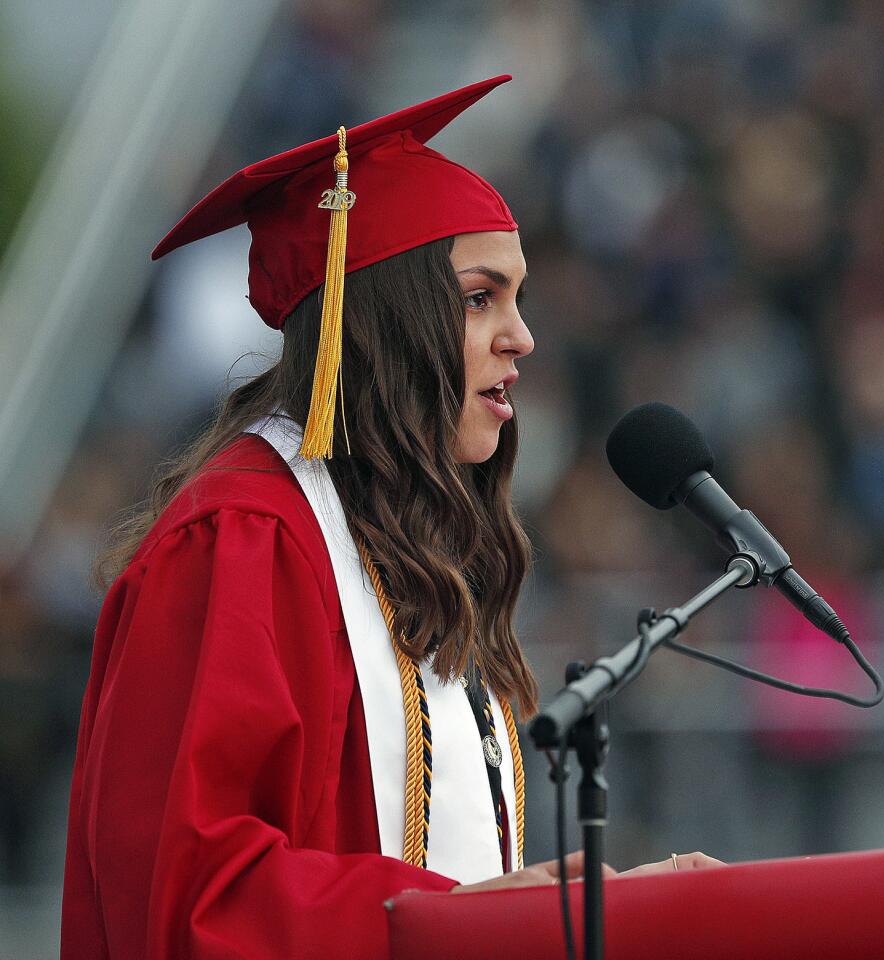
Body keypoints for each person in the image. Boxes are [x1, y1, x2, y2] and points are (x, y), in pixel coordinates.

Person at [61, 76, 717, 960]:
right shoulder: (244, 540)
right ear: (383, 320)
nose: (522, 336)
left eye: (518, 299)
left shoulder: (404, 545)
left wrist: (574, 915)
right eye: (482, 297)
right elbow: (188, 899)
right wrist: (475, 918)